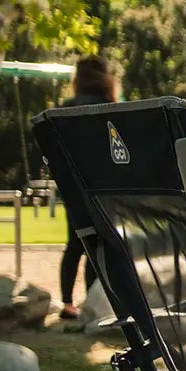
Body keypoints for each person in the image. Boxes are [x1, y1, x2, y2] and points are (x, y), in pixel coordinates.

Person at [56, 55, 119, 320]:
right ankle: (94, 301)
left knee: (75, 243)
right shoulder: (110, 108)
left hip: (73, 186)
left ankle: (68, 303)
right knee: (100, 245)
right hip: (103, 185)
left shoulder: (65, 109)